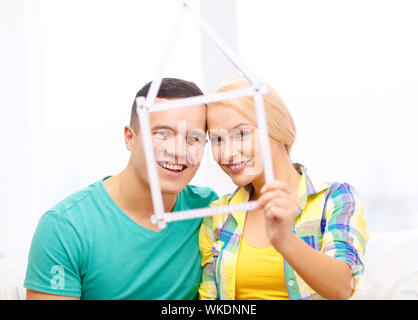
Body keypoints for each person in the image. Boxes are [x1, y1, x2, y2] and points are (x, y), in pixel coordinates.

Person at [24, 78, 218, 300]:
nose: (178, 151)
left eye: (193, 138)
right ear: (130, 138)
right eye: (162, 133)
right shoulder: (64, 227)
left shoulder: (211, 211)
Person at [199, 75, 369, 300]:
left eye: (241, 134)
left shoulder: (336, 199)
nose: (227, 153)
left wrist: (285, 241)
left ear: (277, 129)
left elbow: (342, 287)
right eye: (217, 140)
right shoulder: (218, 216)